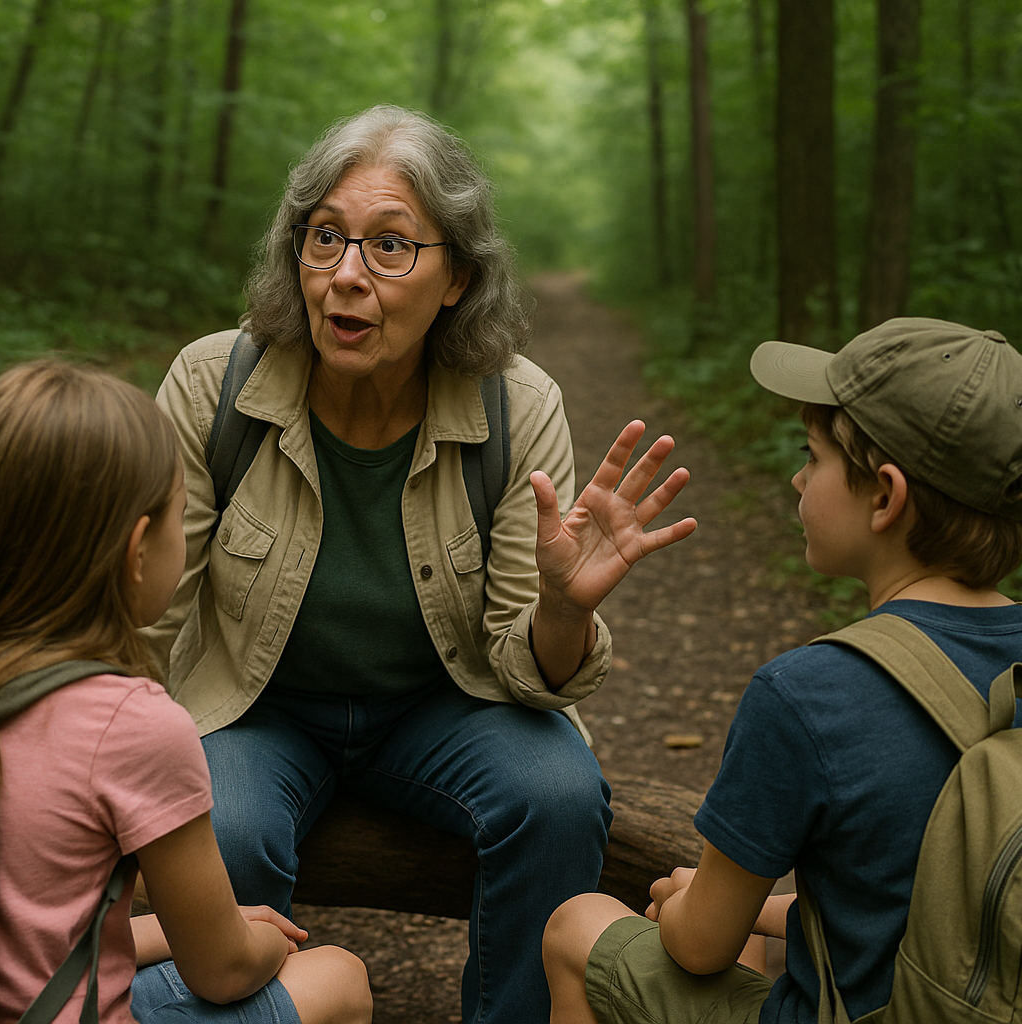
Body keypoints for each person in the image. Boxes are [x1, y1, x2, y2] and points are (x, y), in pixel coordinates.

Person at [145, 104, 695, 1024]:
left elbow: (535, 671)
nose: (346, 277)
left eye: (391, 247)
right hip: (253, 703)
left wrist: (564, 607)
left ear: (457, 279)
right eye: (324, 239)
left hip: (446, 704)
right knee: (218, 827)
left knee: (560, 796)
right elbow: (146, 613)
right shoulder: (216, 384)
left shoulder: (519, 406)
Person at [541, 317, 1022, 1024]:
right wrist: (775, 914)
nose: (798, 476)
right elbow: (944, 887)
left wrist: (687, 906)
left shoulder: (808, 694)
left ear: (886, 497)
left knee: (578, 925)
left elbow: (699, 949)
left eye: (813, 457)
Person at [0, 361, 372, 1024]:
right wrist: (262, 939)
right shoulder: (131, 724)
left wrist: (174, 930)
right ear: (137, 549)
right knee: (340, 978)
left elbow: (27, 929)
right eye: (182, 517)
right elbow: (224, 969)